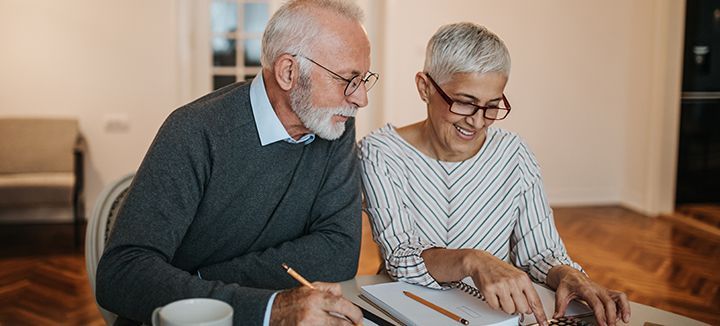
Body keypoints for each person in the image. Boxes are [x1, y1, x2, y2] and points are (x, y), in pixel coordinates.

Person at [96, 0, 379, 325]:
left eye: (364, 79)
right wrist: (269, 309)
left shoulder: (334, 124)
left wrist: (199, 281)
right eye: (347, 79)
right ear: (289, 72)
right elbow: (121, 274)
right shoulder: (194, 131)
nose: (361, 98)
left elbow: (338, 253)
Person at [359, 22, 630, 326]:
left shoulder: (514, 153)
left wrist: (569, 275)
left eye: (491, 106)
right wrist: (473, 260)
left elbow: (540, 253)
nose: (478, 122)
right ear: (424, 87)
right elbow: (401, 259)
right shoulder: (381, 153)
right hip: (411, 312)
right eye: (464, 103)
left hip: (498, 316)